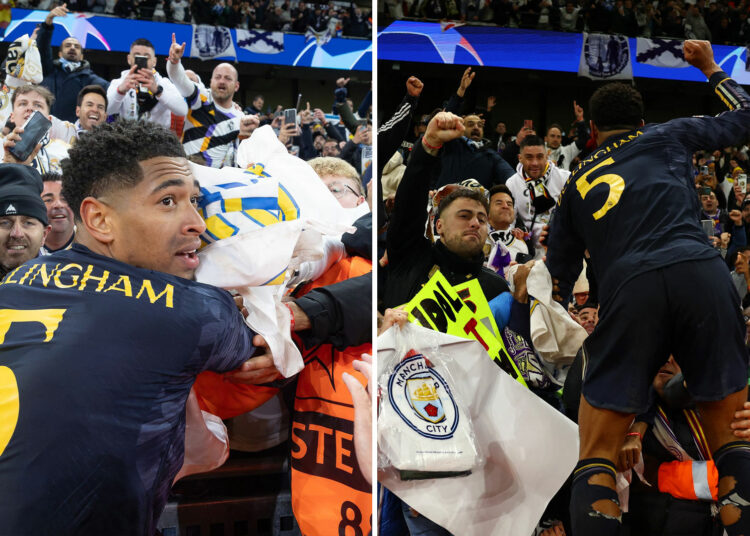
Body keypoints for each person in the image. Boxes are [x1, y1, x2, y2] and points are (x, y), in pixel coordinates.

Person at [0, 120, 278, 534]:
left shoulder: (12, 282)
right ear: (99, 219)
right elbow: (266, 349)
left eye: (194, 201)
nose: (196, 223)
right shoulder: (191, 312)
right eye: (168, 201)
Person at [545, 40, 750, 535]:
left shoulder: (575, 182)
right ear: (640, 122)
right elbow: (745, 116)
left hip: (630, 286)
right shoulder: (667, 135)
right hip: (702, 271)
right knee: (733, 442)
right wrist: (709, 68)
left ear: (592, 130)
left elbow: (559, 268)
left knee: (596, 454)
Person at [166, 34, 257, 167]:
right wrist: (174, 62)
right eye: (218, 77)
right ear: (211, 81)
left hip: (216, 183)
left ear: (236, 86)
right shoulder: (200, 97)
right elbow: (179, 79)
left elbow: (240, 156)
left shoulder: (240, 118)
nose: (222, 81)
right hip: (187, 176)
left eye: (227, 78)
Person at [36, 4, 109, 122]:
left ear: (82, 56)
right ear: (59, 53)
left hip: (73, 133)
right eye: (68, 45)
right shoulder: (48, 69)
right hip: (45, 128)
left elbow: (112, 90)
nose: (72, 48)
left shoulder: (89, 78)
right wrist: (48, 22)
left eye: (77, 46)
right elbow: (43, 48)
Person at [506, 134, 569, 258]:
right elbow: (509, 222)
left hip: (563, 247)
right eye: (529, 157)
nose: (535, 163)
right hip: (530, 251)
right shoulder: (512, 183)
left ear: (547, 156)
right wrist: (515, 234)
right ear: (520, 158)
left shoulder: (565, 178)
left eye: (540, 157)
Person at [107, 38, 187, 128]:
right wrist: (120, 91)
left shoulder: (164, 83)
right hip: (126, 139)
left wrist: (158, 91)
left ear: (154, 61)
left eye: (146, 57)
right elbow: (107, 111)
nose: (142, 60)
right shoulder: (118, 83)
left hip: (159, 139)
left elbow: (183, 110)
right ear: (129, 59)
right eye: (137, 56)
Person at [0, 164, 49, 279]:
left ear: (44, 235)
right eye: (5, 223)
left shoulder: (64, 282)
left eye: (28, 223)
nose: (17, 234)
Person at [40, 171, 75, 255]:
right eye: (48, 200)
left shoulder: (93, 246)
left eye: (64, 199)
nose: (59, 205)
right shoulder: (26, 248)